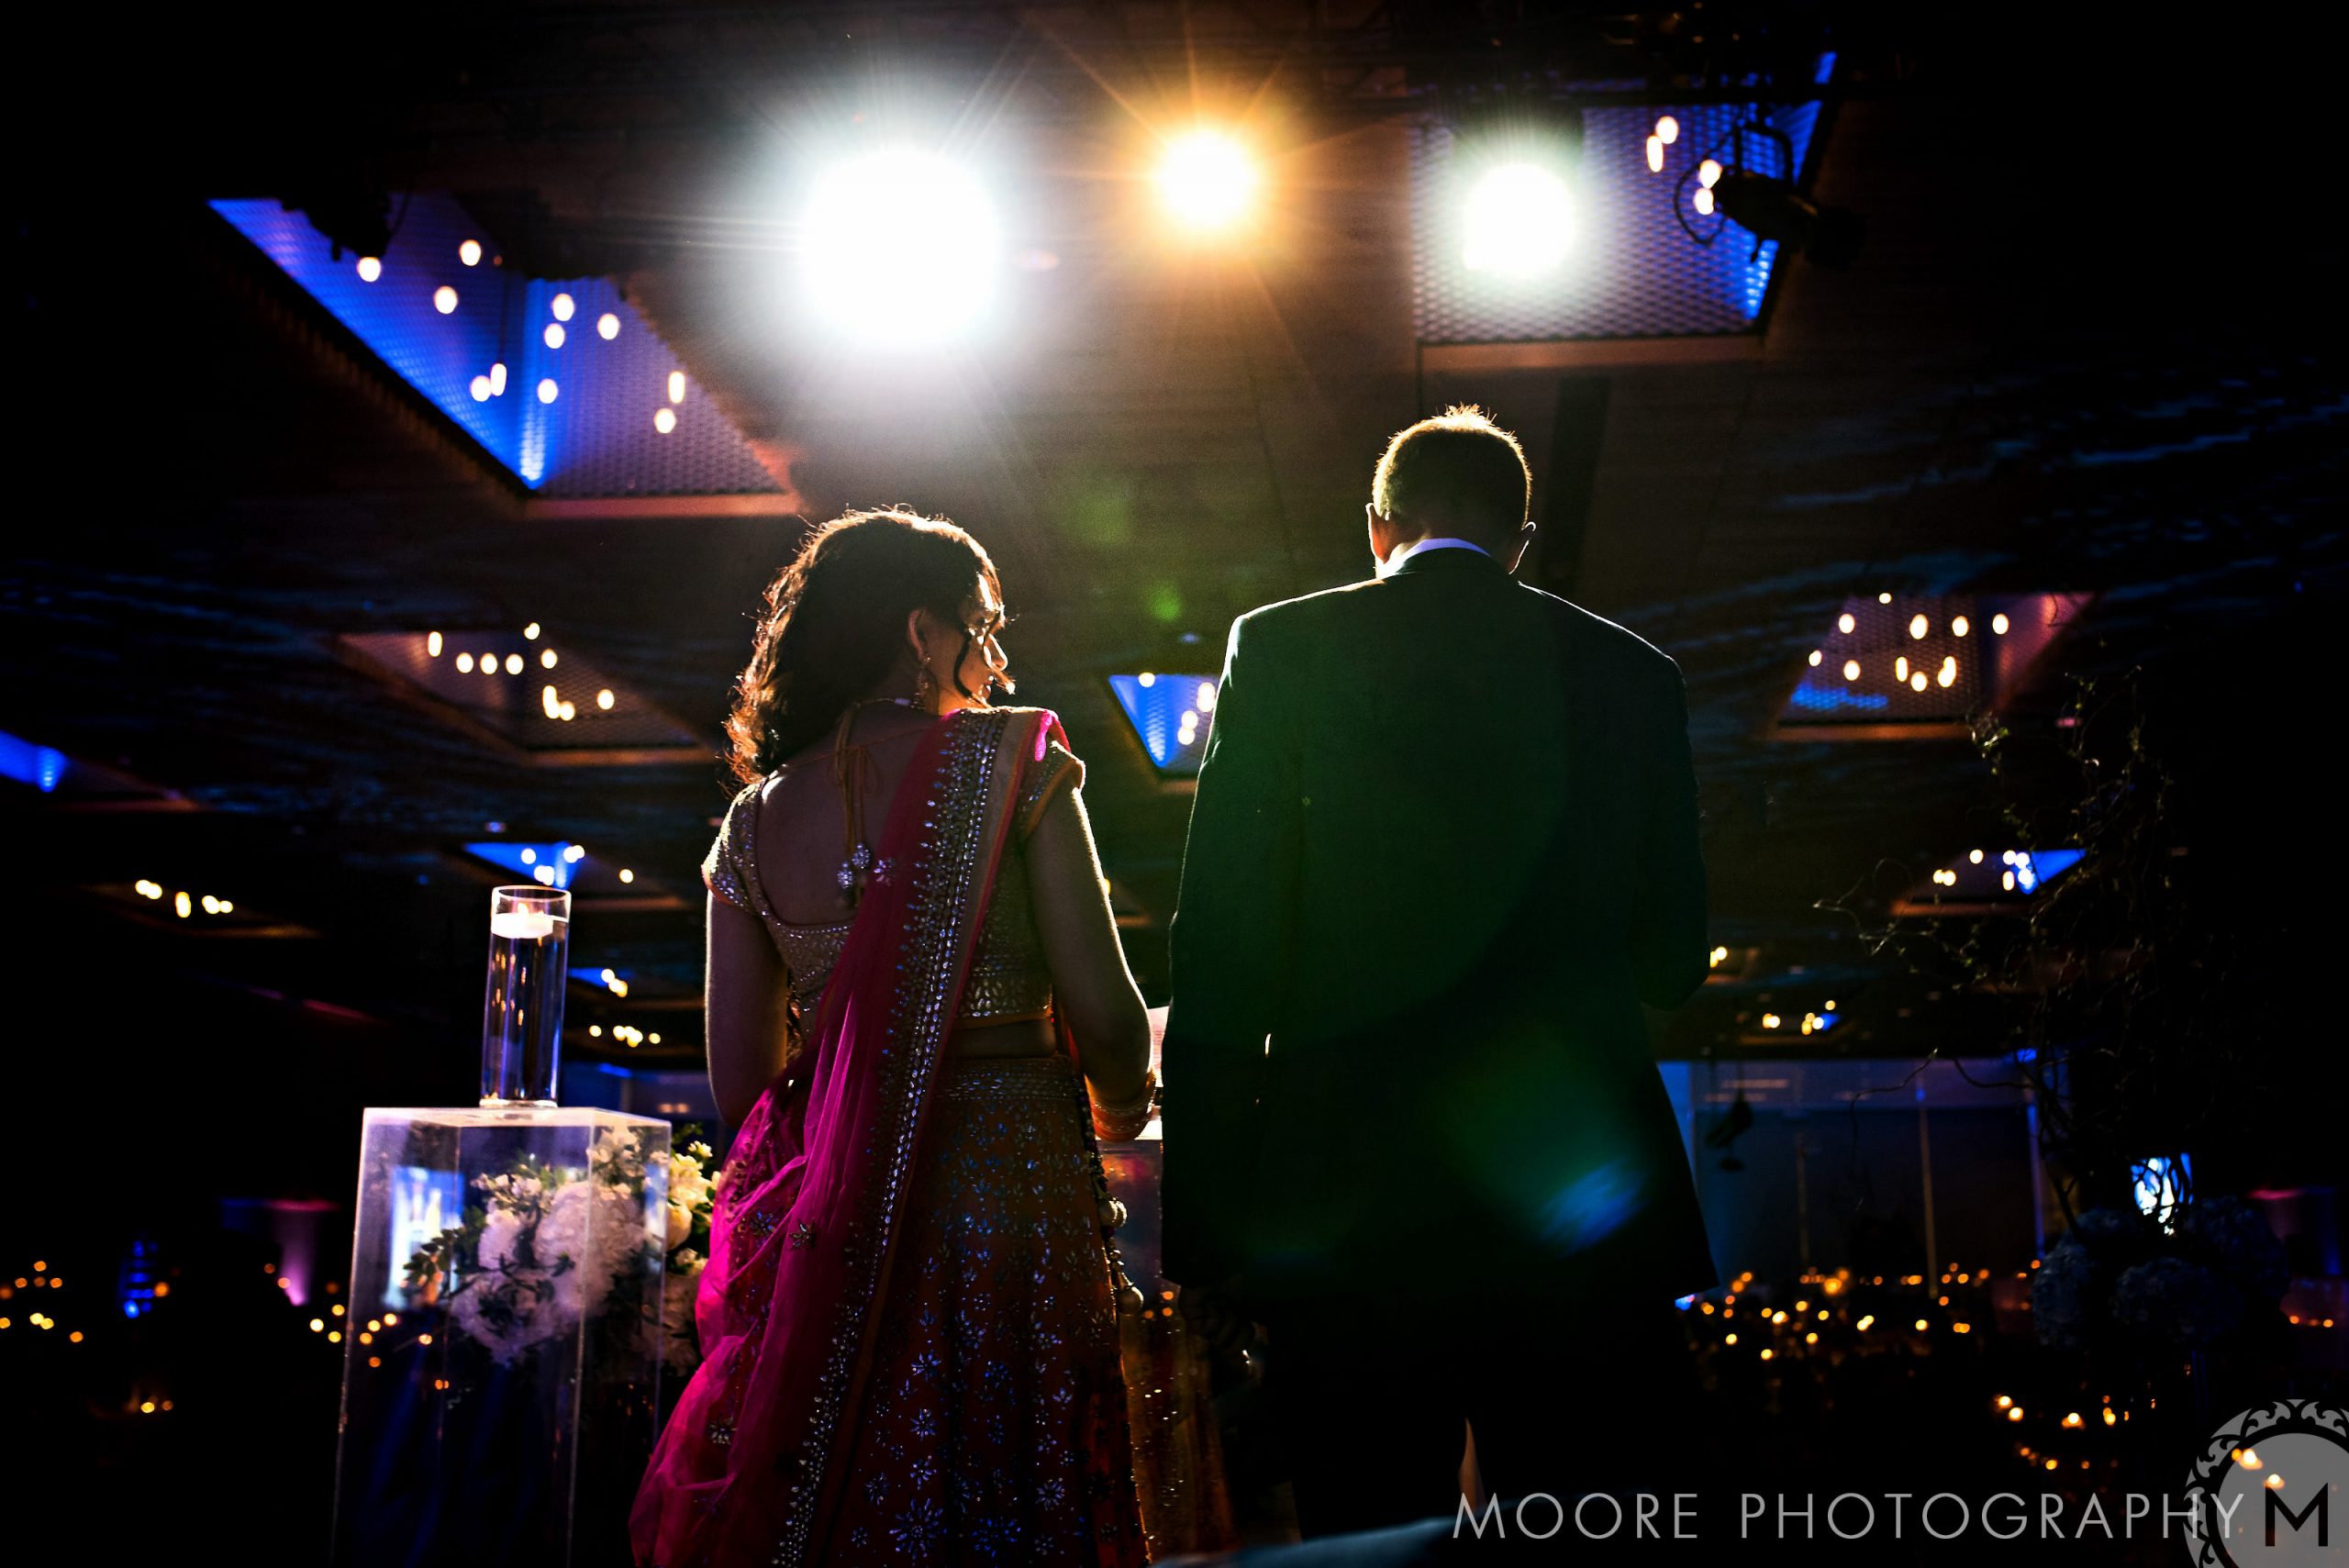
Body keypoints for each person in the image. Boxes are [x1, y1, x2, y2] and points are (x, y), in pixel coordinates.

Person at [1160, 406, 1718, 1536]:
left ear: (1378, 528)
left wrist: (1209, 1224)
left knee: (1367, 1528)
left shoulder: (1280, 646)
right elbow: (1669, 960)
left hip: (1347, 1204)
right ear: (1520, 539)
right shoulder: (1631, 673)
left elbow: (1222, 950)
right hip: (1575, 1208)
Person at [631, 509, 1159, 1568]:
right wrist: (1120, 1101)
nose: (1000, 661)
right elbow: (1106, 1014)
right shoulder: (1017, 762)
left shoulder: (752, 823)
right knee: (1014, 1483)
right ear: (922, 634)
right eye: (984, 626)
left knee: (874, 1488)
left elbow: (748, 1096)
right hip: (1010, 1188)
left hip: (842, 1214)